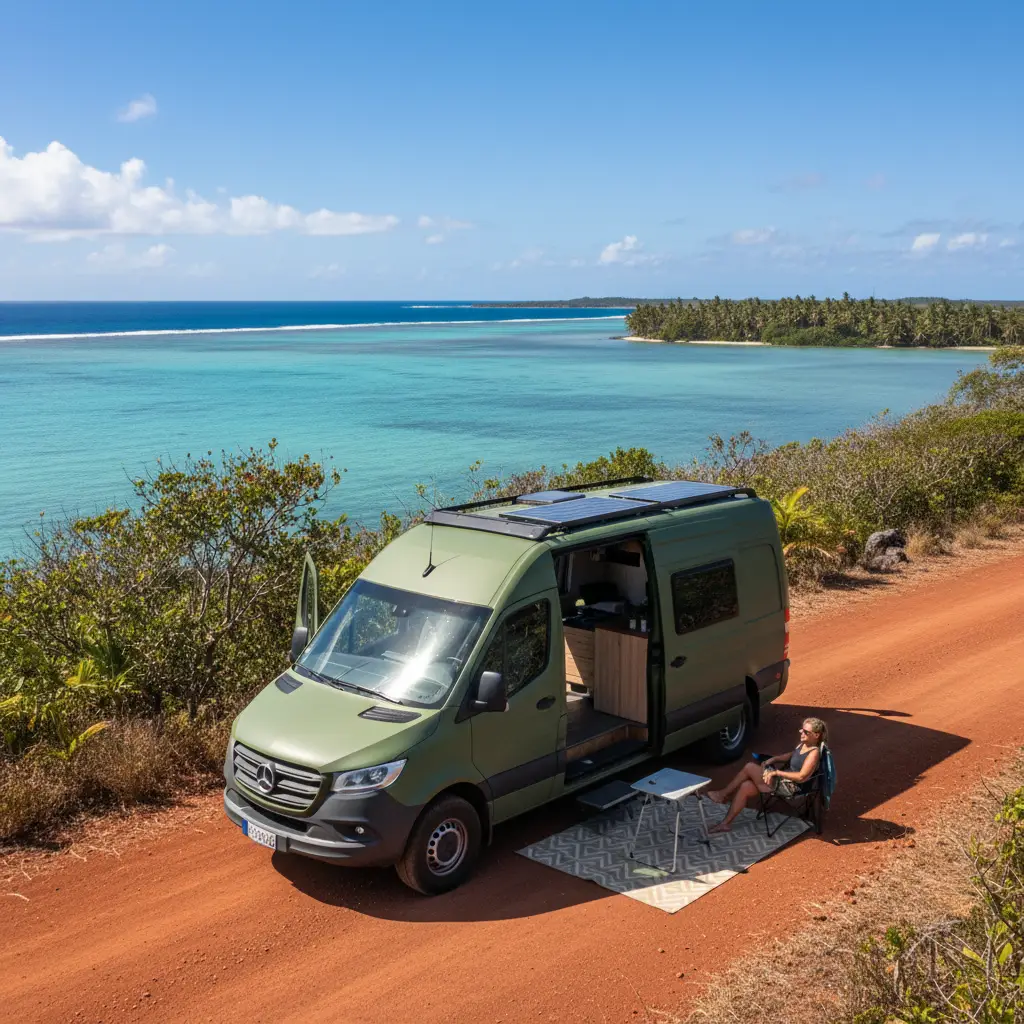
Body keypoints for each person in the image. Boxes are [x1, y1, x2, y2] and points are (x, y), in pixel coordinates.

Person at [704, 717, 828, 833]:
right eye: (802, 730)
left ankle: (722, 794)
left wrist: (776, 772)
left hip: (791, 787)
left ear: (816, 735)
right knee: (746, 787)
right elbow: (791, 755)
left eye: (806, 732)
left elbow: (801, 777)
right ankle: (726, 823)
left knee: (749, 767)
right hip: (781, 780)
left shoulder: (814, 754)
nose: (802, 733)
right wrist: (773, 760)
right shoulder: (803, 744)